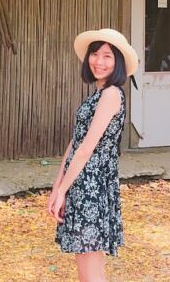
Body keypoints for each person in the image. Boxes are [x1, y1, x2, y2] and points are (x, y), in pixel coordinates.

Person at [47, 28, 138, 282]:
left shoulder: (111, 94)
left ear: (118, 62)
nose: (99, 61)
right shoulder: (99, 94)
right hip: (81, 182)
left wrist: (63, 190)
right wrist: (58, 187)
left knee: (90, 273)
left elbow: (87, 148)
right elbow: (75, 142)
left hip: (92, 187)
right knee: (86, 271)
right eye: (95, 54)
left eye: (107, 56)